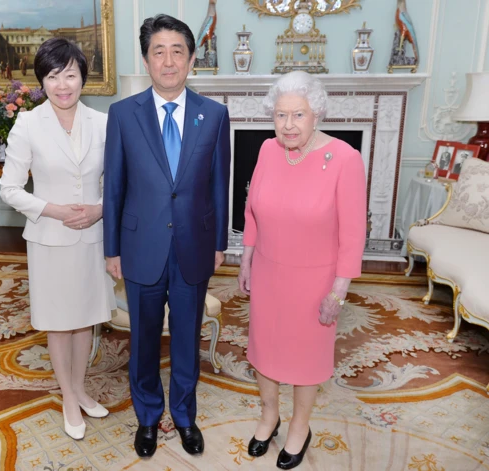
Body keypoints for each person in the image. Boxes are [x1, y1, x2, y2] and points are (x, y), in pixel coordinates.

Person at [103, 14, 230, 459]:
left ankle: (184, 415)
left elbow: (219, 183)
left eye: (178, 50)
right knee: (142, 342)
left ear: (192, 59)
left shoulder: (214, 115)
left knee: (186, 340)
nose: (169, 60)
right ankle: (147, 418)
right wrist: (112, 248)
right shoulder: (123, 114)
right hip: (140, 248)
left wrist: (219, 244)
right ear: (146, 59)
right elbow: (114, 185)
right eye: (159, 51)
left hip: (194, 247)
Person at [238, 71, 366, 470]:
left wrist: (339, 289)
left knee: (306, 357)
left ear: (316, 115)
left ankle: (300, 425)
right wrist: (246, 257)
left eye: (298, 115)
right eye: (280, 115)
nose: (288, 125)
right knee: (264, 349)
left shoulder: (346, 158)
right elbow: (252, 209)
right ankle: (269, 415)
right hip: (268, 272)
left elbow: (353, 233)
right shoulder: (267, 150)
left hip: (315, 280)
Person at [0, 37, 115, 441]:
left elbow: (118, 182)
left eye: (70, 74)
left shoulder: (102, 122)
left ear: (84, 76)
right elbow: (10, 189)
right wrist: (56, 209)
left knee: (85, 318)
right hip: (49, 237)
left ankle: (80, 387)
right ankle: (68, 396)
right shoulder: (28, 123)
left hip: (93, 237)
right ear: (42, 81)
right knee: (59, 322)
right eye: (53, 76)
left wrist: (99, 209)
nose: (63, 84)